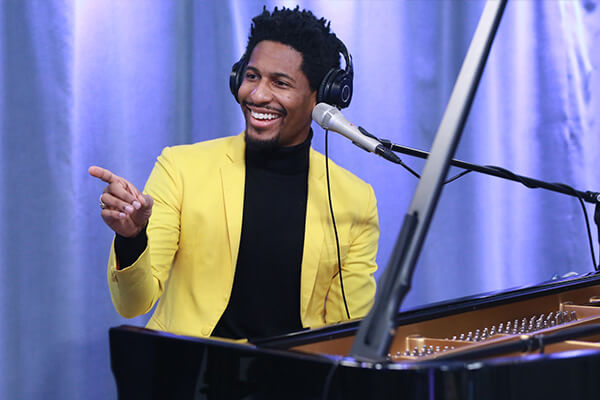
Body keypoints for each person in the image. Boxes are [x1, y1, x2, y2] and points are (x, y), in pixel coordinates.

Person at [89, 6, 379, 341]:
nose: (256, 95)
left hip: (296, 378)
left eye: (280, 83)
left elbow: (348, 333)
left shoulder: (355, 200)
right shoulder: (181, 168)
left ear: (322, 98)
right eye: (252, 76)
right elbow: (133, 304)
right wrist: (132, 239)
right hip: (191, 375)